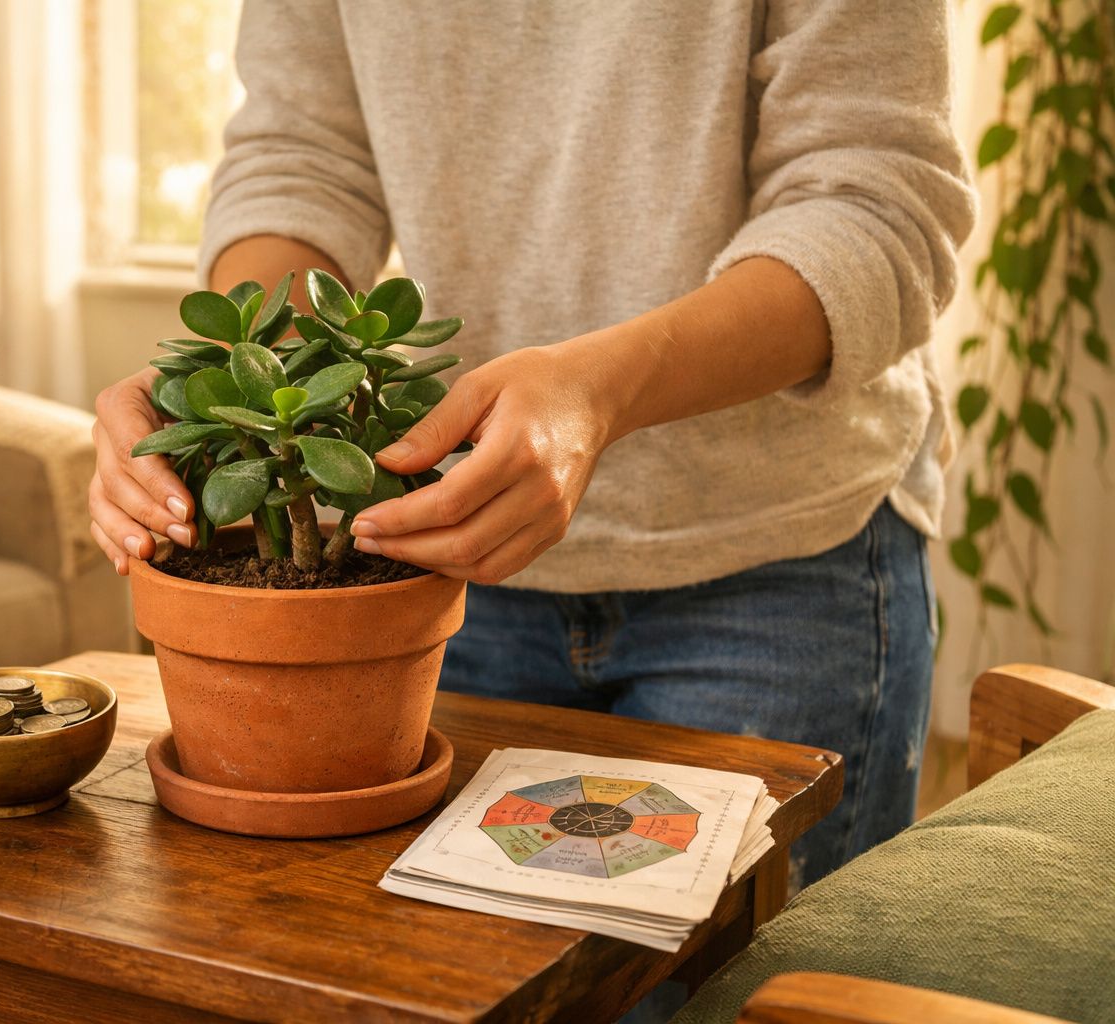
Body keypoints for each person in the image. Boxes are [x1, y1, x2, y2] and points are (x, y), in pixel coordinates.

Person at [89, 1, 974, 894]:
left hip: (772, 569)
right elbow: (303, 160)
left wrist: (602, 389)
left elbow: (873, 203)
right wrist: (235, 383)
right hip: (438, 567)